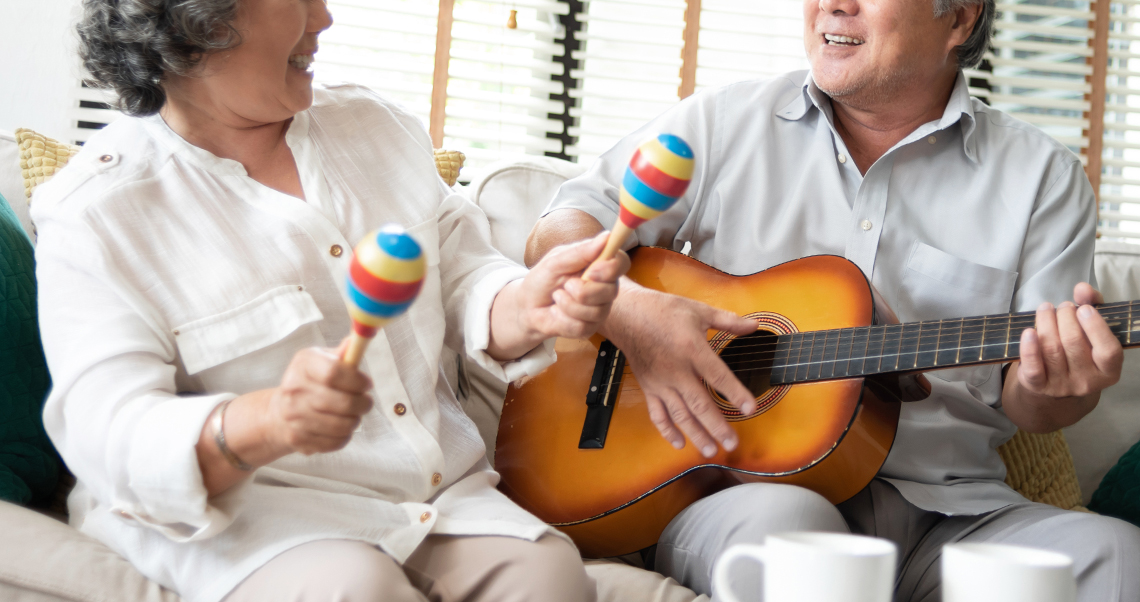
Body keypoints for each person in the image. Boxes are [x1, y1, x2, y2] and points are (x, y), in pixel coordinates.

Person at [526, 0, 1140, 600]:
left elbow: (1035, 402)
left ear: (959, 17)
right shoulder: (726, 120)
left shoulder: (1043, 177)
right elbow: (562, 226)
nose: (833, 5)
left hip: (953, 515)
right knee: (792, 539)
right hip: (746, 496)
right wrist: (630, 311)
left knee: (1117, 554)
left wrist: (1058, 384)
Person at [34, 1, 629, 601]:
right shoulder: (96, 213)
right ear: (196, 20)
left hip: (435, 501)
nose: (323, 19)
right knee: (355, 588)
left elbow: (464, 274)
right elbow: (110, 430)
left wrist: (524, 304)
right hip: (247, 518)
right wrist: (265, 421)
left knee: (548, 573)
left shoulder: (377, 127)